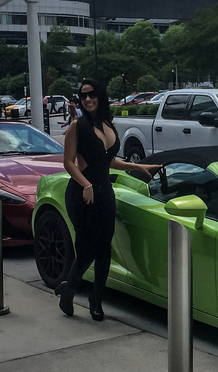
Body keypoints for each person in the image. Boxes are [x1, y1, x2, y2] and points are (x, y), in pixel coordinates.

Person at [56, 78, 161, 321]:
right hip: (81, 195)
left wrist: (136, 166)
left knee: (104, 248)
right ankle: (69, 289)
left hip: (105, 194)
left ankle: (95, 299)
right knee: (87, 247)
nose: (88, 99)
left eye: (92, 94)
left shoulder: (108, 124)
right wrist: (86, 184)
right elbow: (68, 163)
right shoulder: (77, 126)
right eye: (83, 96)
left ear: (100, 96)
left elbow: (107, 160)